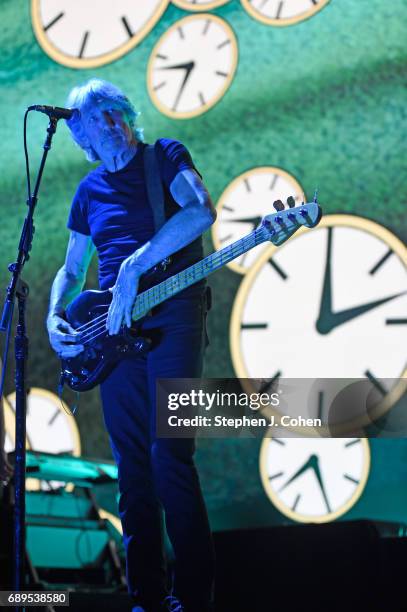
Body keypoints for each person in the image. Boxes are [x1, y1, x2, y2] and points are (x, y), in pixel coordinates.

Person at [46, 79, 216, 612]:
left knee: (171, 457)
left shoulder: (164, 155)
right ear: (84, 139)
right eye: (100, 119)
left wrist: (135, 265)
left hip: (175, 312)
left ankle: (192, 599)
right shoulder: (88, 192)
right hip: (114, 334)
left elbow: (202, 212)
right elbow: (72, 270)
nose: (114, 123)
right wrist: (54, 316)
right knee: (132, 471)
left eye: (117, 112)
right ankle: (143, 599)